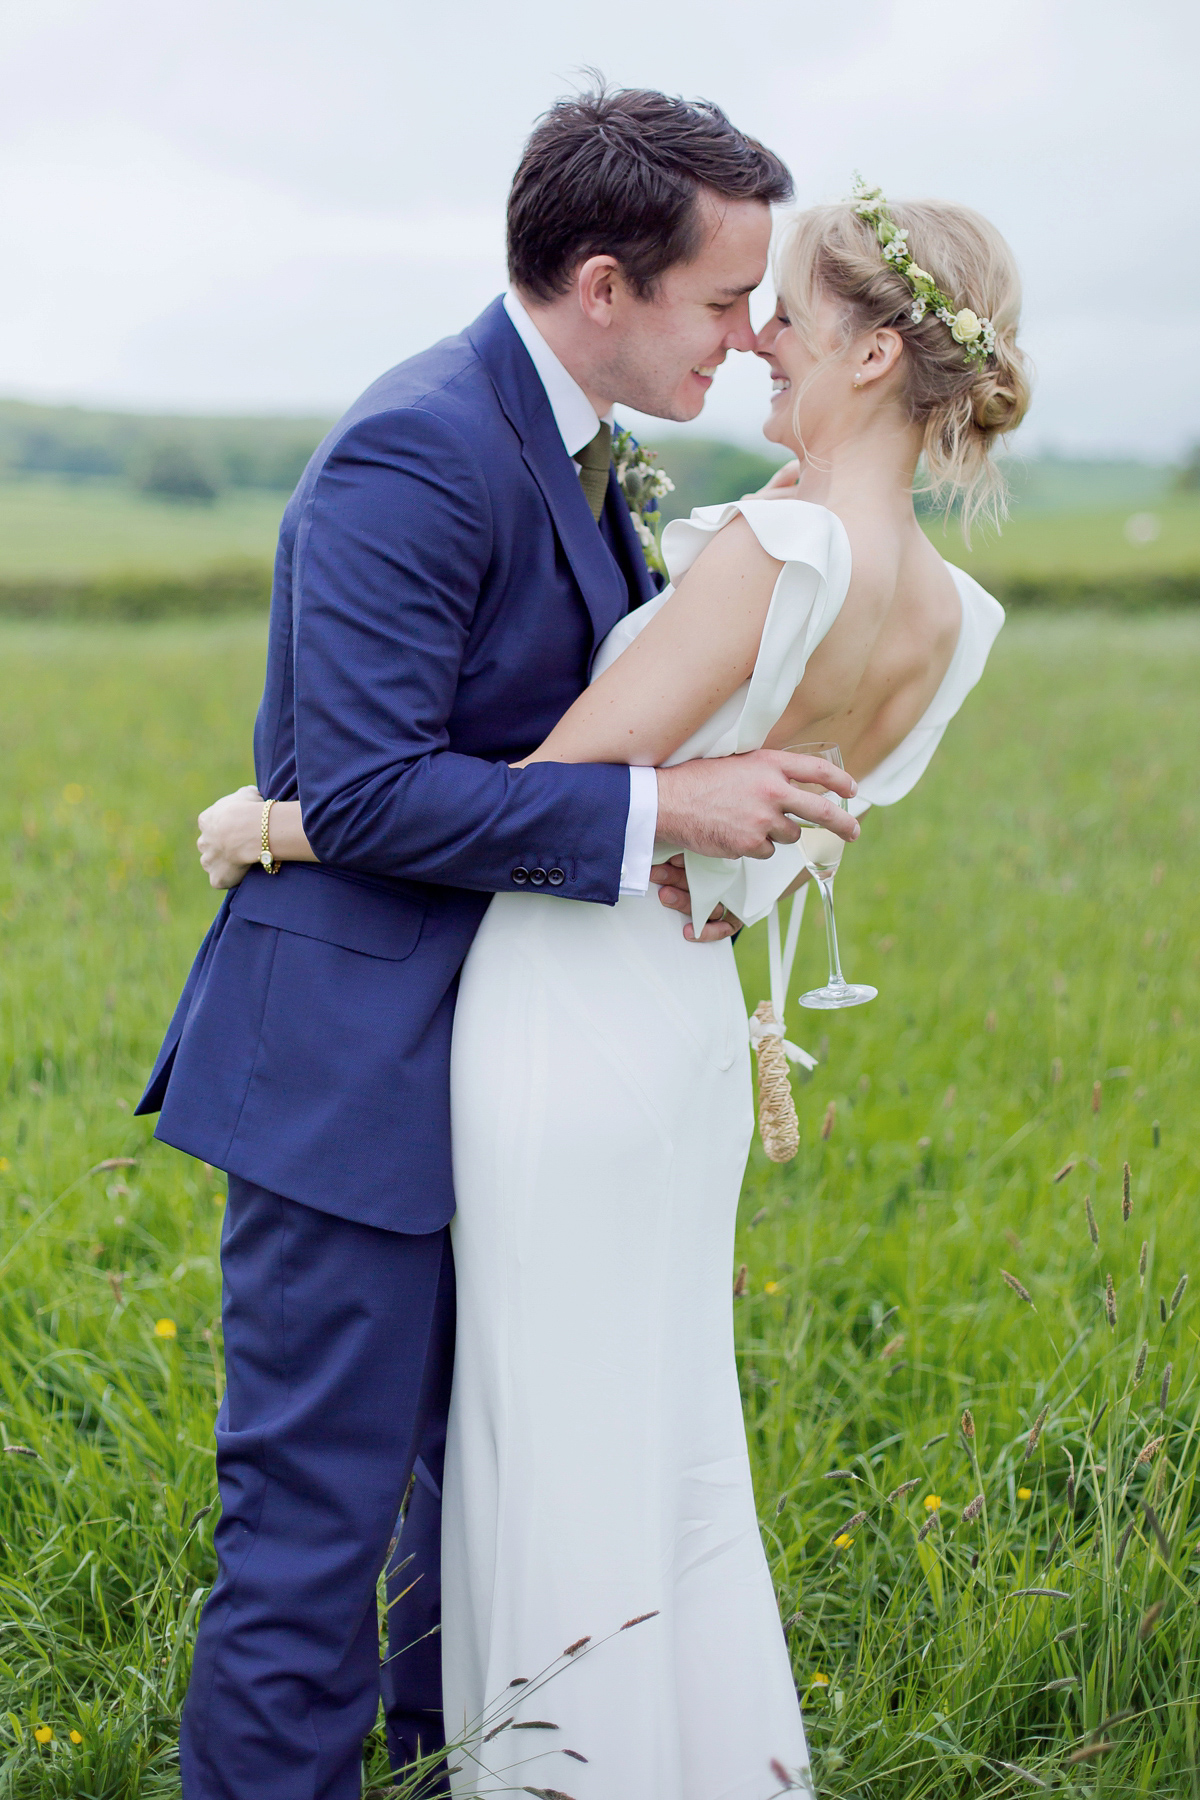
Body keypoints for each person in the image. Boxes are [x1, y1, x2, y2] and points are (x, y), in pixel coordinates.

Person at [196, 171, 1031, 1796]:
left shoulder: (765, 543)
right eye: (736, 302)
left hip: (562, 1016)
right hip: (680, 1030)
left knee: (532, 1445)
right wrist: (699, 848)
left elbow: (572, 779)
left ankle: (545, 1758)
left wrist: (274, 823)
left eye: (783, 308)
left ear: (875, 358)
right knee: (624, 1432)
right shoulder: (956, 616)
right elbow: (786, 843)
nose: (759, 336)